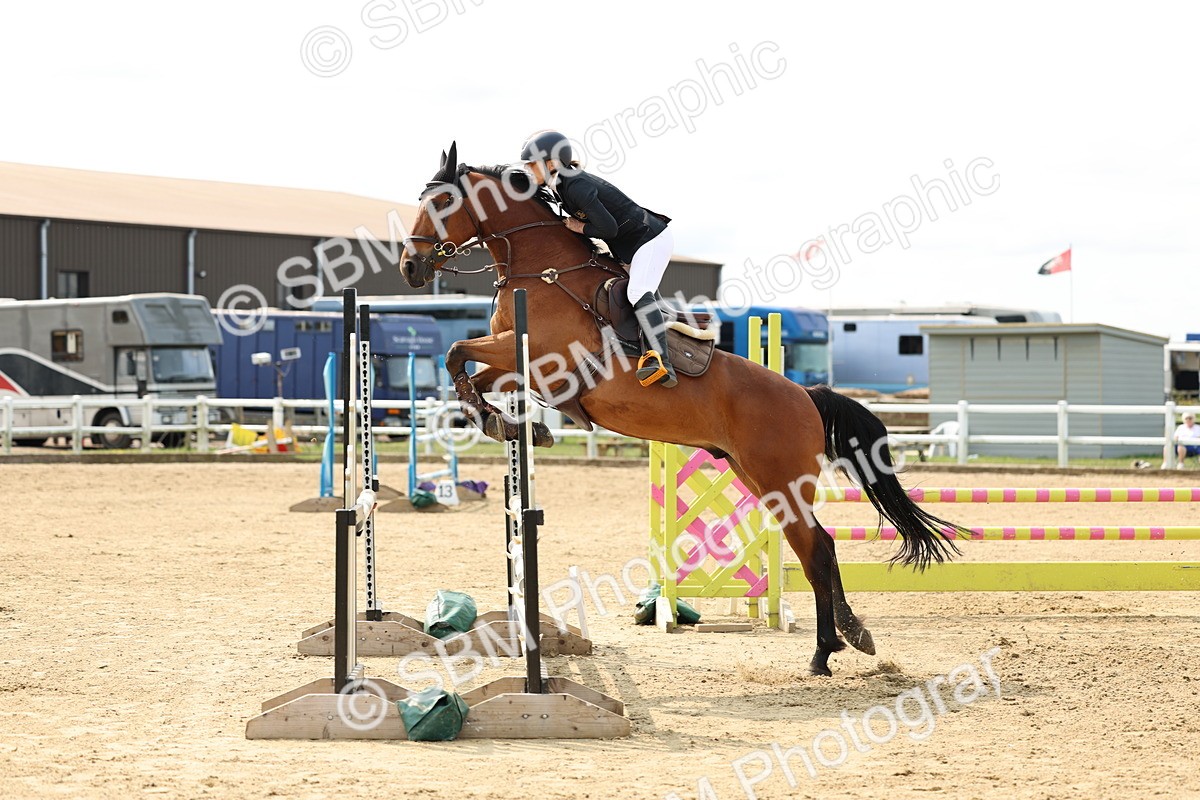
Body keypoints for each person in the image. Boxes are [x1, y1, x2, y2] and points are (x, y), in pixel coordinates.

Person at [519, 130, 677, 388]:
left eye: (532, 164)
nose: (528, 169)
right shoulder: (561, 184)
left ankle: (662, 361)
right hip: (631, 245)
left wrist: (579, 228)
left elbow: (609, 228)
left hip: (651, 240)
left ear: (551, 164)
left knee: (637, 292)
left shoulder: (576, 184)